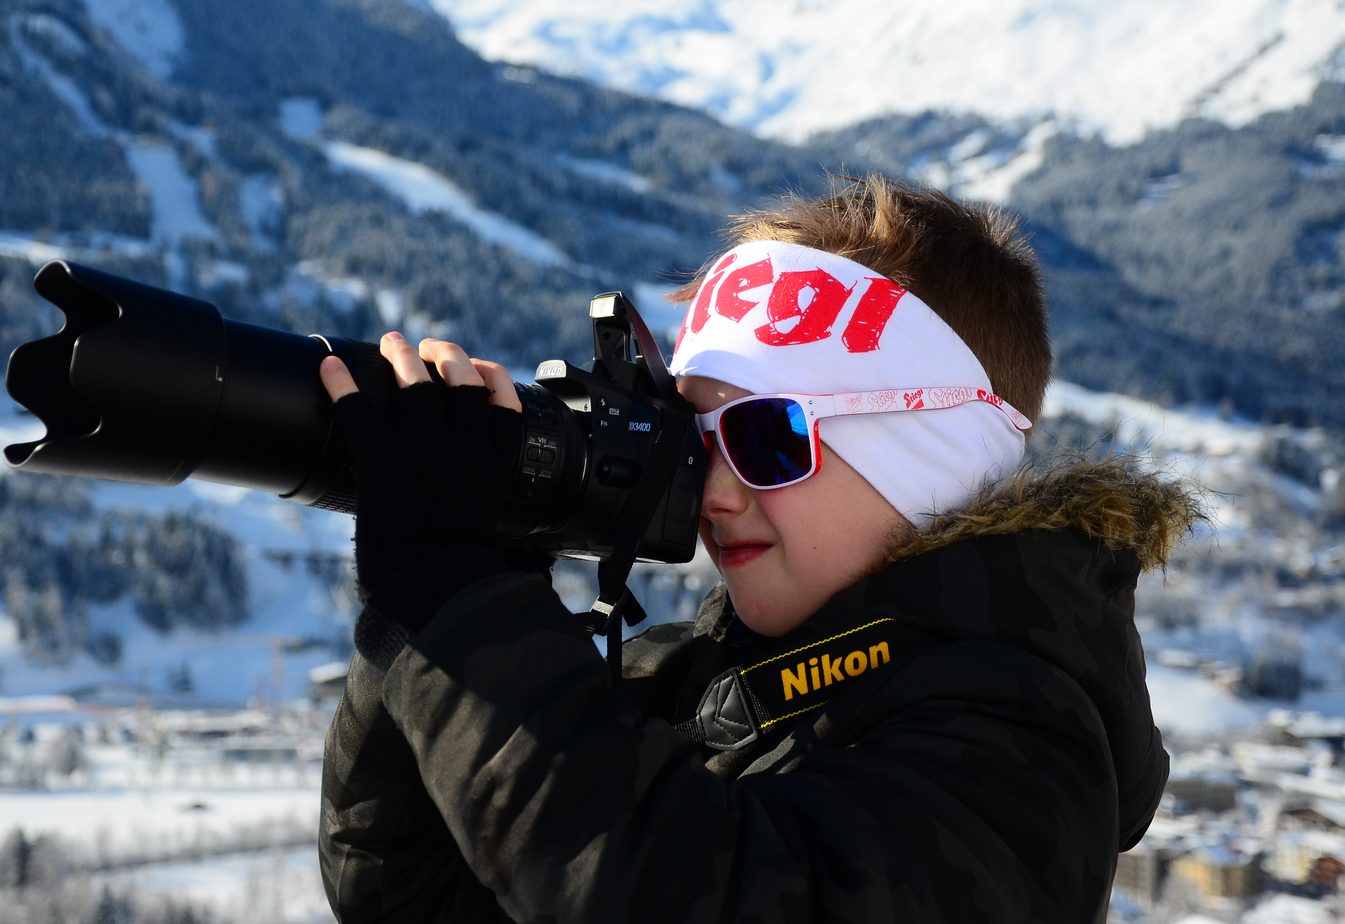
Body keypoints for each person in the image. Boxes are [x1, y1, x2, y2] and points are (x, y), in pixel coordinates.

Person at [316, 175, 1200, 923]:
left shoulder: (1021, 742)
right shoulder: (699, 683)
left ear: (930, 456)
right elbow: (407, 894)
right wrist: (450, 601)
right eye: (694, 439)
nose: (714, 488)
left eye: (766, 437)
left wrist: (452, 589)